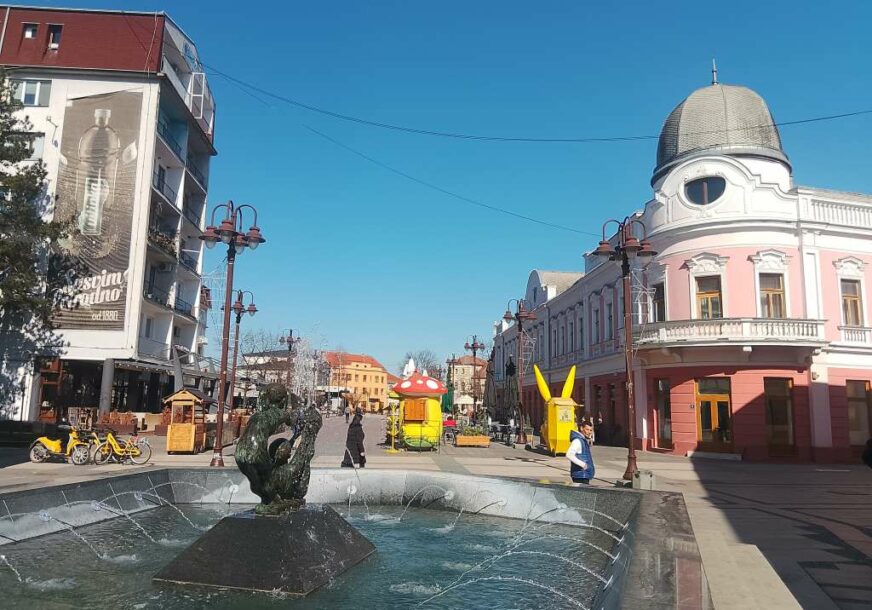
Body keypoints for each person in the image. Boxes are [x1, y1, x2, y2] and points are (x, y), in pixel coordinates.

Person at [566, 421, 595, 485]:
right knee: (581, 491)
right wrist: (583, 465)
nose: (589, 432)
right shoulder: (577, 441)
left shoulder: (583, 440)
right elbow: (569, 455)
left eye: (590, 430)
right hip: (580, 475)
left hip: (583, 475)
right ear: (581, 428)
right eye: (587, 429)